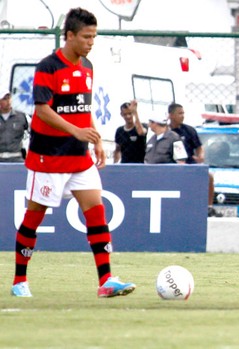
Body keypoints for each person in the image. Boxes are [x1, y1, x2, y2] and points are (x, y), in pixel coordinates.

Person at [11, 8, 135, 298]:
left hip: (79, 158)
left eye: (94, 36)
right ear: (69, 35)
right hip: (48, 157)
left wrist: (95, 139)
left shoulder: (88, 66)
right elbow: (42, 109)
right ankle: (19, 280)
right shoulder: (48, 67)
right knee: (34, 217)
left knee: (97, 213)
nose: (91, 42)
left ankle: (105, 280)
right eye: (86, 36)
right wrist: (76, 131)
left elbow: (83, 107)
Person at [169, 102, 220, 217]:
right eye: (179, 113)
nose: (182, 116)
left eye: (183, 113)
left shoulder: (189, 130)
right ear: (171, 115)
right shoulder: (167, 132)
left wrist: (200, 156)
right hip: (172, 165)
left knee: (209, 177)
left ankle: (209, 207)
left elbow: (199, 147)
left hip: (190, 164)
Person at [0, 91, 29, 162]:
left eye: (9, 98)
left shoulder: (22, 116)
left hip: (16, 157)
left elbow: (32, 132)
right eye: (4, 99)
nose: (8, 101)